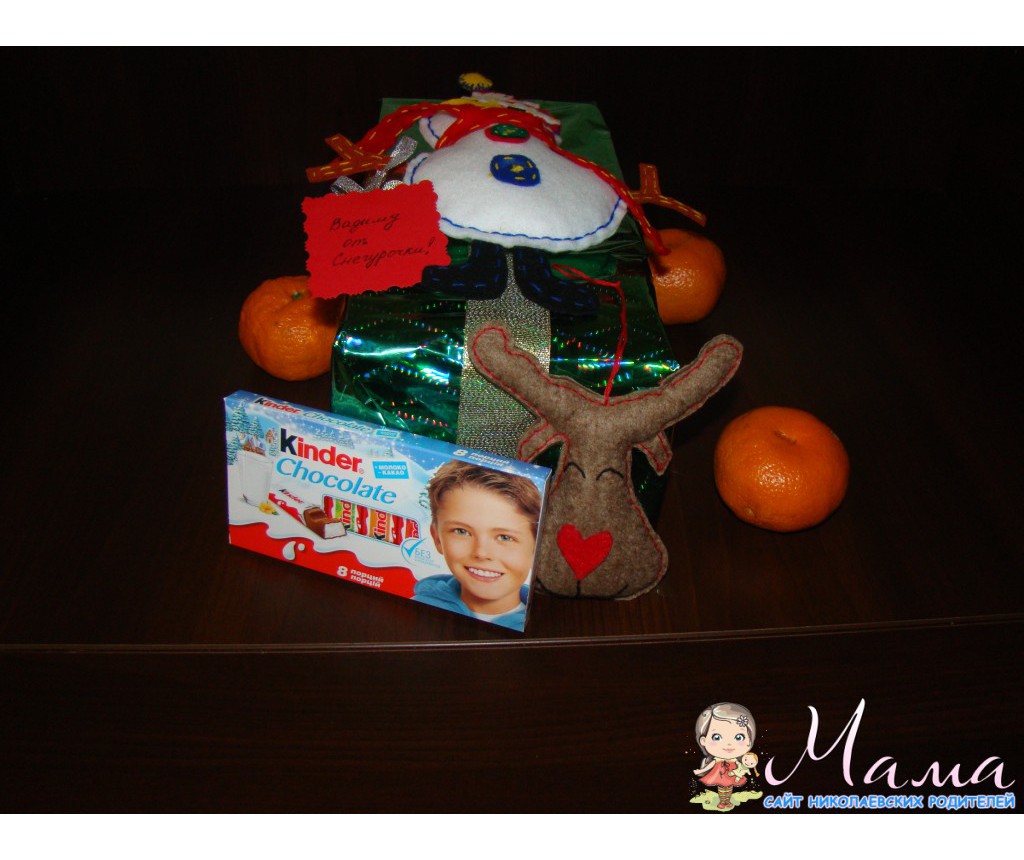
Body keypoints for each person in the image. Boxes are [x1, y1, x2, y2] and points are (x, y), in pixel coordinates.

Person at [413, 460, 541, 629]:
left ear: (536, 547)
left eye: (504, 537)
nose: (481, 553)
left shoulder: (544, 624)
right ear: (437, 538)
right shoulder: (414, 610)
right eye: (461, 531)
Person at [693, 702, 757, 809]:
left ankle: (727, 801)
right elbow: (710, 765)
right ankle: (723, 802)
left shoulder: (737, 760)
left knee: (729, 788)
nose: (729, 744)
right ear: (704, 740)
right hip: (719, 774)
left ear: (749, 741)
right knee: (722, 788)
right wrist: (701, 771)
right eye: (717, 737)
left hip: (732, 774)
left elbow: (744, 765)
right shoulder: (717, 760)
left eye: (739, 737)